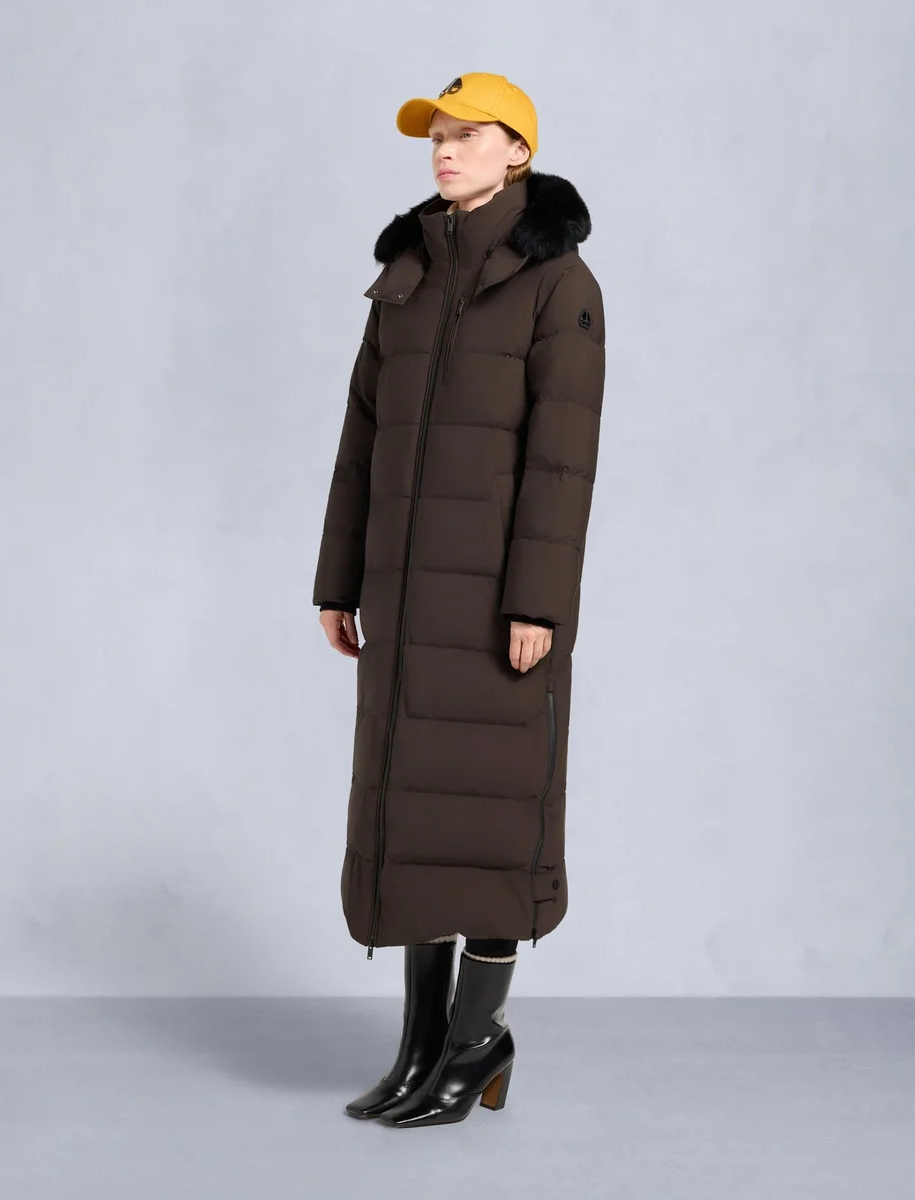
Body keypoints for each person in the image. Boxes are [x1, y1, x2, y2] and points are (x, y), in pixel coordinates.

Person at [313, 72, 606, 1127]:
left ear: (517, 151)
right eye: (436, 135)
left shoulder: (558, 283)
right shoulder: (407, 273)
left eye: (467, 134)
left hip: (494, 607)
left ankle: (477, 1042)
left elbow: (562, 463)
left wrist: (537, 605)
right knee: (412, 821)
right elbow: (361, 438)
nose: (444, 149)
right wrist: (338, 580)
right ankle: (421, 1050)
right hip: (403, 599)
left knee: (486, 825)